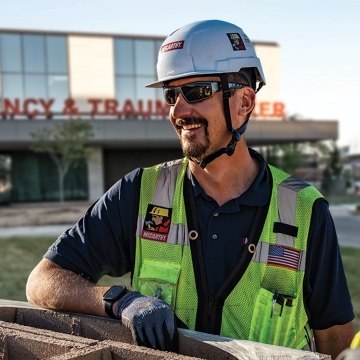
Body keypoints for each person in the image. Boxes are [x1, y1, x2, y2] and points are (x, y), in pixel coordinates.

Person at [26, 20, 355, 358]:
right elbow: (43, 281)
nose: (178, 110)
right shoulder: (139, 193)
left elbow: (335, 341)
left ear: (244, 102)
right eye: (171, 94)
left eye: (196, 92)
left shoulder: (305, 210)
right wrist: (119, 300)